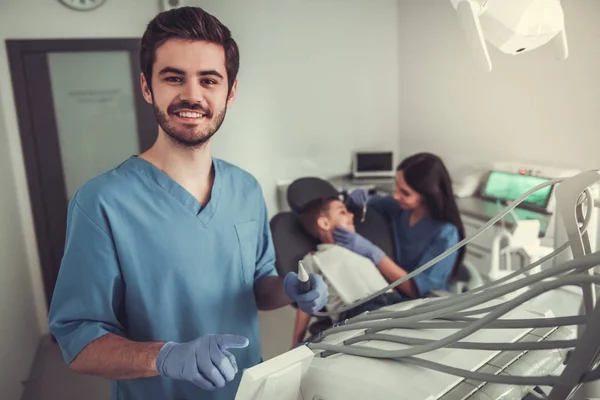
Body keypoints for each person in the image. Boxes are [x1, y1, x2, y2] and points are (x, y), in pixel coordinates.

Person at [47, 7, 328, 400]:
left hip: (248, 392)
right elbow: (78, 340)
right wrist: (165, 357)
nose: (192, 95)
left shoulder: (246, 188)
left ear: (230, 91)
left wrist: (288, 290)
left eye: (208, 80)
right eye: (174, 77)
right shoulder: (101, 204)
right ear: (147, 87)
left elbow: (256, 286)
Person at [335, 152, 466, 299]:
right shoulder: (397, 207)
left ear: (428, 195)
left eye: (405, 192)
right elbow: (370, 201)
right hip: (388, 291)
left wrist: (373, 253)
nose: (396, 196)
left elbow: (415, 290)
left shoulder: (445, 234)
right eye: (396, 187)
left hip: (423, 304)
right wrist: (356, 197)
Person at [292, 197, 404, 346]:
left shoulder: (360, 249)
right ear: (324, 223)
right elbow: (305, 303)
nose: (351, 215)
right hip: (358, 310)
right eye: (343, 212)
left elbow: (382, 280)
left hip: (394, 300)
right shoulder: (314, 258)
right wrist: (294, 344)